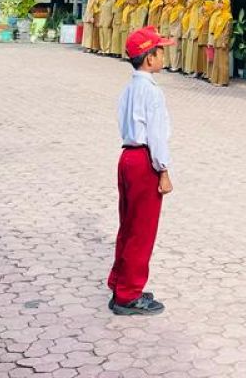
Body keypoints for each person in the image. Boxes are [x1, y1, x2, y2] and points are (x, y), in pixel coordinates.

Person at [107, 26, 173, 317]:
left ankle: (120, 284)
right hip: (145, 161)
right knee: (142, 230)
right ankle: (129, 295)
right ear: (149, 59)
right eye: (160, 50)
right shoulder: (153, 93)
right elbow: (157, 136)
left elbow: (124, 124)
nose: (163, 55)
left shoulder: (129, 89)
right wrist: (164, 170)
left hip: (127, 158)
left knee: (128, 225)